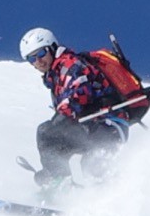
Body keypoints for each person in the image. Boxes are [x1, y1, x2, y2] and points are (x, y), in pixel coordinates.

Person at [19, 27, 129, 189]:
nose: (38, 61)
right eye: (31, 59)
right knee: (87, 164)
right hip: (95, 127)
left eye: (41, 54)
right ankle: (94, 196)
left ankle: (57, 182)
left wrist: (59, 121)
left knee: (47, 132)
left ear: (52, 47)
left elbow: (77, 95)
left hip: (105, 125)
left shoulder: (69, 65)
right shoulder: (57, 76)